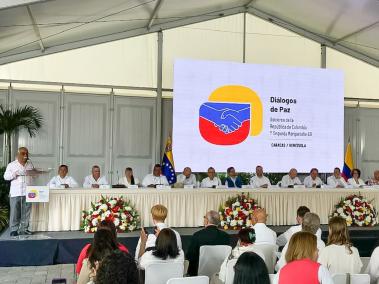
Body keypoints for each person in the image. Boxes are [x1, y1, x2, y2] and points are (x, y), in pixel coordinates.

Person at [186, 210, 231, 276]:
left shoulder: (197, 235)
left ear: (207, 221)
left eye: (204, 217)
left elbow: (190, 256)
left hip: (199, 276)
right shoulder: (226, 236)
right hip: (220, 274)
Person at [4, 147, 34, 236]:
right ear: (18, 155)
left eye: (26, 153)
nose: (25, 155)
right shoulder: (11, 165)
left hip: (28, 191)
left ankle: (24, 228)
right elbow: (6, 177)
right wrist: (15, 174)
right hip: (16, 192)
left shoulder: (30, 164)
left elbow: (33, 175)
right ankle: (14, 229)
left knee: (27, 211)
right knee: (15, 212)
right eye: (23, 153)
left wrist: (35, 173)